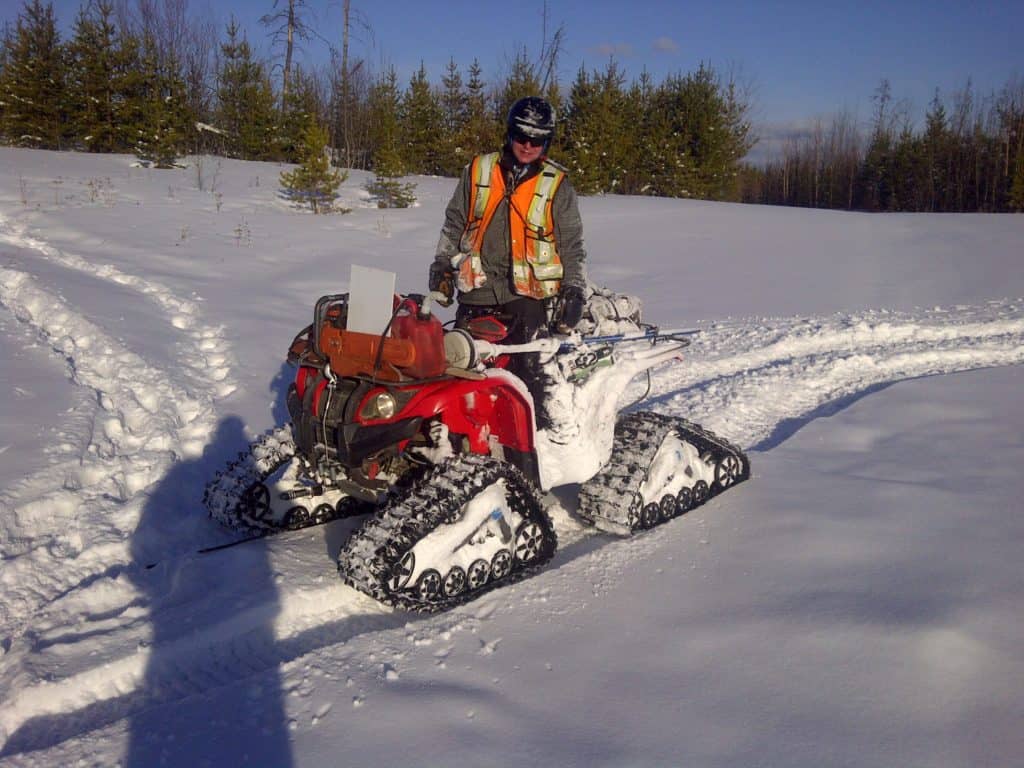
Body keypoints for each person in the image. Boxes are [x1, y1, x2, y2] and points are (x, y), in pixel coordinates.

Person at [429, 96, 587, 346]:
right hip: (477, 291)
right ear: (510, 134)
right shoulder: (478, 169)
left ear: (546, 142)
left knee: (528, 374)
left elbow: (571, 245)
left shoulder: (557, 184)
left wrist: (574, 288)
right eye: (521, 136)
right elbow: (454, 223)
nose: (527, 145)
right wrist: (442, 264)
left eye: (536, 140)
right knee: (462, 365)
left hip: (528, 297)